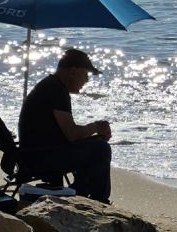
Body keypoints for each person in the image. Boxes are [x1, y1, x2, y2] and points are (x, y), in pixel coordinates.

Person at [18, 48, 113, 202]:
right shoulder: (55, 89)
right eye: (86, 74)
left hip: (35, 153)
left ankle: (78, 192)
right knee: (101, 149)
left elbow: (69, 135)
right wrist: (96, 127)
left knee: (96, 144)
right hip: (40, 157)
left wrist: (94, 136)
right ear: (73, 71)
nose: (87, 80)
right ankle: (99, 201)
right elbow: (72, 134)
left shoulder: (51, 85)